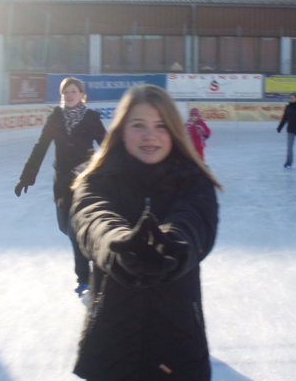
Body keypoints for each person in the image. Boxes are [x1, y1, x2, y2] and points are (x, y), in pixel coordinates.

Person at [70, 85, 221, 381]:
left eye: (161, 126)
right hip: (111, 342)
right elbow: (92, 217)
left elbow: (195, 220)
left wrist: (173, 244)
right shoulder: (97, 181)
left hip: (178, 342)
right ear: (122, 131)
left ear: (174, 131)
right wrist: (116, 244)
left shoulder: (194, 181)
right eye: (138, 125)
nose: (150, 135)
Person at [14, 77, 106, 296]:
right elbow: (40, 147)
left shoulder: (91, 118)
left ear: (82, 94)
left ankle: (85, 277)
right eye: (66, 92)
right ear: (62, 95)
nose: (70, 95)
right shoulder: (55, 118)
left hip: (86, 183)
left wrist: (121, 171)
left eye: (74, 91)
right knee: (66, 227)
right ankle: (88, 271)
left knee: (79, 231)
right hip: (63, 183)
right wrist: (27, 176)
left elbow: (108, 145)